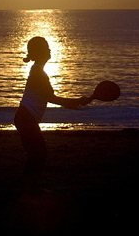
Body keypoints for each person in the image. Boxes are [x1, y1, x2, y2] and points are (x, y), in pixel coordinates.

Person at [14, 36, 92, 190]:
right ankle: (29, 189)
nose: (50, 51)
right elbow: (51, 98)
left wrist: (74, 103)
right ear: (40, 52)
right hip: (26, 118)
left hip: (25, 118)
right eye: (47, 48)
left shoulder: (37, 70)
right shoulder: (39, 73)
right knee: (38, 153)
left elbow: (49, 98)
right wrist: (76, 101)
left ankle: (29, 187)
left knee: (36, 153)